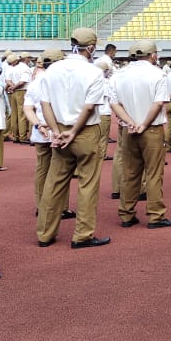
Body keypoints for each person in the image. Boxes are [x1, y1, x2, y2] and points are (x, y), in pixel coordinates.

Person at [36, 27, 109, 249]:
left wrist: (56, 131)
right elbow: (88, 108)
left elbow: (45, 103)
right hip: (84, 131)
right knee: (88, 183)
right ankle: (83, 234)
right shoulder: (94, 72)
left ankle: (44, 233)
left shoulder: (53, 69)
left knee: (54, 182)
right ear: (91, 48)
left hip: (59, 129)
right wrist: (74, 131)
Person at [109, 40, 171, 229]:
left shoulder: (119, 74)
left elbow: (114, 103)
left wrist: (131, 122)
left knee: (130, 173)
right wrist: (144, 123)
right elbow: (158, 103)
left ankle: (126, 213)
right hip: (151, 128)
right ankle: (155, 215)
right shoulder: (157, 73)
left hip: (128, 128)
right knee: (153, 173)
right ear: (153, 55)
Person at [25, 48, 74, 219]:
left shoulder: (34, 83)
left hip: (41, 130)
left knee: (42, 169)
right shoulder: (65, 80)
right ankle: (61, 206)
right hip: (60, 128)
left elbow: (28, 109)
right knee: (62, 169)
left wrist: (39, 125)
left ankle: (41, 205)